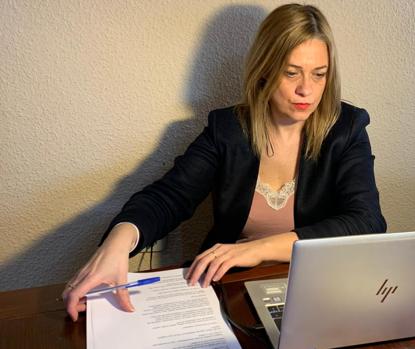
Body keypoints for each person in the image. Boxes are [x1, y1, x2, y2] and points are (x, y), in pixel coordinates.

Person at [62, 3, 386, 322]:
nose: (307, 90)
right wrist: (119, 240)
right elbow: (169, 197)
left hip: (320, 286)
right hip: (235, 289)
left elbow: (366, 221)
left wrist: (257, 248)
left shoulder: (347, 128)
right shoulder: (227, 130)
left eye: (319, 75)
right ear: (265, 70)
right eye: (291, 73)